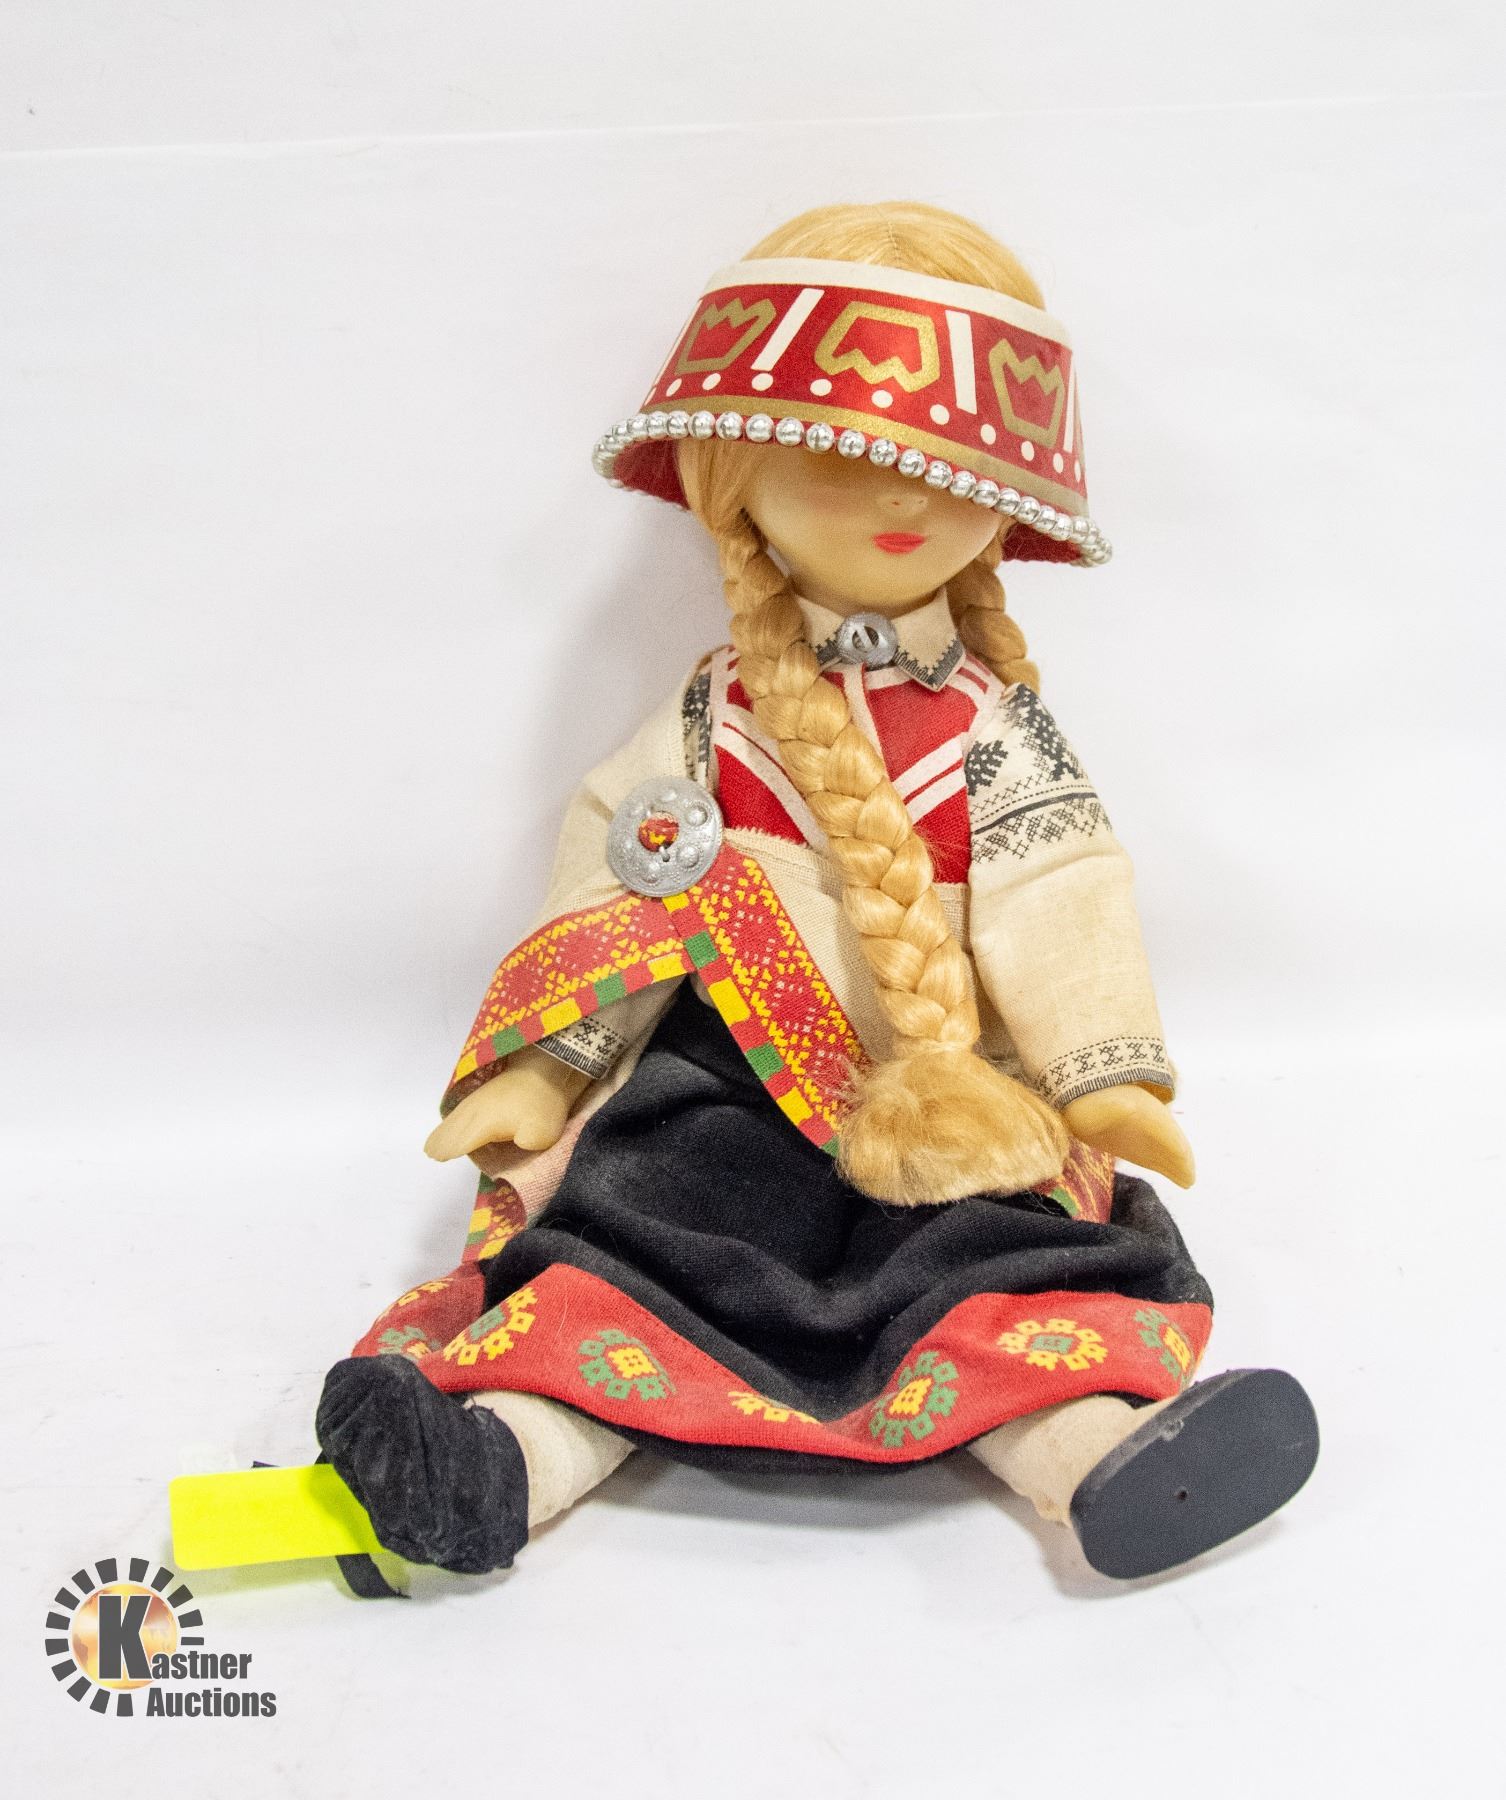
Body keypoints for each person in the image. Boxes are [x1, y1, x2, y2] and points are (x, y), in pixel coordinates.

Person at [316, 200, 1318, 1584]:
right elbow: (621, 882)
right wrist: (545, 1070)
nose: (905, 504)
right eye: (847, 460)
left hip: (951, 1100)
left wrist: (1101, 1076)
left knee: (991, 1263)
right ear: (736, 478)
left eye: (950, 470)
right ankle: (496, 1463)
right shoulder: (708, 721)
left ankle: (1097, 1459)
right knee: (639, 1251)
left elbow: (1063, 888)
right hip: (723, 1090)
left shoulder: (996, 733)